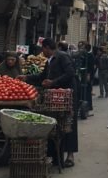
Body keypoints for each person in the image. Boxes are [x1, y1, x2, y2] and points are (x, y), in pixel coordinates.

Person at [32, 39, 78, 167]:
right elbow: (42, 77)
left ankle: (70, 155)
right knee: (56, 126)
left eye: (43, 49)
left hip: (67, 96)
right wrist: (27, 78)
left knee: (69, 124)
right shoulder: (50, 61)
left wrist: (53, 82)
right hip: (55, 96)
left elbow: (70, 74)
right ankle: (56, 156)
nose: (42, 52)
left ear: (47, 48)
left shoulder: (62, 57)